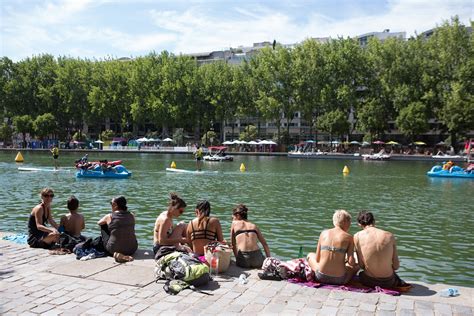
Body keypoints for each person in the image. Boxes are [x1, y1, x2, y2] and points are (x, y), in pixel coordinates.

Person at [354, 211, 406, 288]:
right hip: (389, 282)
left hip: (368, 281)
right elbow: (396, 266)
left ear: (359, 224)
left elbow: (361, 265)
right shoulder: (389, 235)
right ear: (374, 221)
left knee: (361, 273)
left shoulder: (357, 236)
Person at [307, 210, 358, 285]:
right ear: (345, 222)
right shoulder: (349, 237)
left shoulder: (323, 233)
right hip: (340, 279)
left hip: (320, 276)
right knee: (356, 267)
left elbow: (318, 259)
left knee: (310, 255)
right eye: (349, 222)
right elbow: (351, 262)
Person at [230, 204, 270, 268]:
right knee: (263, 257)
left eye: (233, 217)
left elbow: (233, 245)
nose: (232, 218)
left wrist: (237, 259)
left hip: (244, 261)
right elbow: (265, 244)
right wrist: (269, 260)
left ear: (237, 215)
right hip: (257, 260)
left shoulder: (234, 223)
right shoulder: (254, 226)